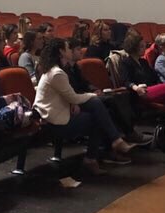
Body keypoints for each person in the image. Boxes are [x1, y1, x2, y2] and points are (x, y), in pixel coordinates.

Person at [33, 38, 136, 175]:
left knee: (97, 109)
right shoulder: (57, 73)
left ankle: (109, 145)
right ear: (61, 52)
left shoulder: (57, 70)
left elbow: (68, 96)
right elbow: (72, 97)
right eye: (68, 48)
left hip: (58, 111)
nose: (71, 50)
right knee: (96, 114)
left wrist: (82, 99)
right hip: (53, 119)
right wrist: (92, 95)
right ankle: (104, 148)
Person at [64, 38, 153, 146]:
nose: (81, 52)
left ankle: (116, 142)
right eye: (78, 49)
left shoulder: (75, 67)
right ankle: (128, 134)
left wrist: (94, 89)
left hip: (86, 96)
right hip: (78, 100)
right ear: (70, 51)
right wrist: (90, 94)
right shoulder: (64, 70)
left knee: (115, 102)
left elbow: (86, 83)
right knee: (110, 101)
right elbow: (70, 91)